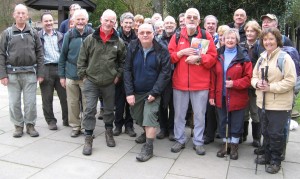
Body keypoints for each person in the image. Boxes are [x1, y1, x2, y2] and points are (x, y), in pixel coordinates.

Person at [168, 8, 217, 155]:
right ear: (183, 20)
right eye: (188, 17)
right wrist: (181, 53)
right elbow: (169, 57)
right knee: (179, 114)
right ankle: (180, 139)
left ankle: (198, 141)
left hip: (200, 84)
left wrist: (200, 58)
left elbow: (213, 58)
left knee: (200, 115)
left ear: (199, 21)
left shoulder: (206, 35)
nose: (191, 19)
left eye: (194, 17)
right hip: (180, 83)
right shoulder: (177, 36)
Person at [77, 9, 126, 156]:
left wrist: (117, 75)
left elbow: (123, 62)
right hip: (91, 80)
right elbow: (81, 60)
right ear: (101, 20)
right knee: (90, 109)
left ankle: (109, 132)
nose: (108, 23)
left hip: (109, 82)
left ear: (115, 23)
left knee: (109, 109)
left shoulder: (119, 42)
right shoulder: (90, 39)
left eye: (112, 21)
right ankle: (88, 138)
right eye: (106, 20)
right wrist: (83, 76)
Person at [124, 23, 171, 162]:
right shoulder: (132, 47)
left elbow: (165, 73)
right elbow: (126, 70)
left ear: (153, 34)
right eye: (142, 32)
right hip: (136, 91)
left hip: (153, 91)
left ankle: (148, 148)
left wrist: (155, 92)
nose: (145, 35)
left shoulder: (162, 50)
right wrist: (129, 92)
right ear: (137, 34)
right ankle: (146, 133)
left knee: (149, 116)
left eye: (148, 32)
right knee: (137, 116)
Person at [253, 27, 296, 174]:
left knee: (276, 133)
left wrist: (270, 87)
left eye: (271, 39)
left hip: (279, 104)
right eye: (265, 39)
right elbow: (254, 77)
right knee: (265, 131)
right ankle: (267, 154)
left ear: (277, 40)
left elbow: (290, 81)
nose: (268, 42)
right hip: (262, 102)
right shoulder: (262, 57)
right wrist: (257, 84)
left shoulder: (285, 58)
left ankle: (276, 160)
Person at [0, 4, 44, 137]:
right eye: (18, 13)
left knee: (30, 103)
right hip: (12, 74)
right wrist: (2, 74)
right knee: (14, 103)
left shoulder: (33, 32)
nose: (20, 15)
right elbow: (1, 54)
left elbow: (40, 53)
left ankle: (30, 125)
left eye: (23, 13)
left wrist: (41, 73)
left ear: (27, 15)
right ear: (14, 15)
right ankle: (18, 125)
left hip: (30, 73)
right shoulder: (7, 33)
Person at [209, 28, 252, 160]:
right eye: (227, 38)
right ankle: (225, 143)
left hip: (237, 96)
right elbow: (213, 77)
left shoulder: (243, 56)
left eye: (232, 38)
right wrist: (211, 95)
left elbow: (249, 78)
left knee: (237, 121)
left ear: (237, 40)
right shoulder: (217, 55)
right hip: (220, 95)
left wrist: (235, 83)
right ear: (223, 40)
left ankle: (234, 145)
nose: (229, 40)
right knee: (222, 120)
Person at [58, 9, 94, 137]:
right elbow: (62, 56)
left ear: (87, 21)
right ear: (73, 21)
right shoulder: (69, 35)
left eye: (82, 19)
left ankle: (86, 127)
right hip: (70, 74)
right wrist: (62, 76)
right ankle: (75, 126)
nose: (80, 21)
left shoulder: (92, 34)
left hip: (87, 76)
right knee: (72, 103)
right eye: (77, 19)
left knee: (87, 103)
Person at [38, 12, 68, 130]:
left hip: (60, 68)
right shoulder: (38, 36)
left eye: (51, 20)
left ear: (54, 21)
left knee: (65, 97)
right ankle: (51, 121)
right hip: (45, 69)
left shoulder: (61, 35)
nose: (49, 23)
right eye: (46, 21)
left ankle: (67, 119)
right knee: (47, 97)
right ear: (42, 23)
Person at [113, 12, 137, 137]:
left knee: (130, 102)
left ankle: (129, 126)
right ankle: (117, 125)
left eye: (130, 23)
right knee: (119, 102)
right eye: (126, 22)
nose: (128, 25)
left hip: (132, 75)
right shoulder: (115, 36)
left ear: (133, 24)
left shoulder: (136, 37)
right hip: (119, 74)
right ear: (121, 23)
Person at [239, 20, 262, 147]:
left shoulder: (261, 46)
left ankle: (256, 138)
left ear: (257, 32)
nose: (249, 33)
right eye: (247, 31)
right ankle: (243, 135)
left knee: (255, 111)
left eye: (252, 31)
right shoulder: (241, 45)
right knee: (244, 112)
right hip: (243, 83)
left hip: (255, 84)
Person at [156, 15, 177, 141]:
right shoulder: (158, 39)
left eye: (171, 23)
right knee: (162, 104)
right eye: (167, 23)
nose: (169, 25)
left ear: (175, 25)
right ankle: (163, 128)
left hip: (176, 75)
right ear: (163, 26)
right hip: (162, 76)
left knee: (174, 104)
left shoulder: (179, 38)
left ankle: (172, 129)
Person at [203, 15, 219, 144]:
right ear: (204, 25)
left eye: (213, 23)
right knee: (203, 108)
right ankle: (205, 132)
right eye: (208, 23)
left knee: (212, 107)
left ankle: (211, 133)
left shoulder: (222, 38)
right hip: (203, 75)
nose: (210, 26)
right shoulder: (201, 38)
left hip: (217, 76)